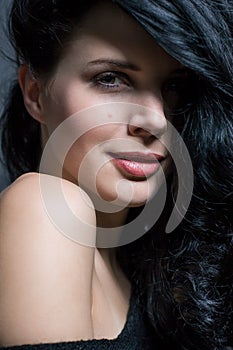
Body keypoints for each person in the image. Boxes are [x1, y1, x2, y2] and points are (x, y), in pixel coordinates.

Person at [0, 0, 232, 349]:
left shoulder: (157, 270)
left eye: (174, 87)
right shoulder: (45, 207)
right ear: (35, 94)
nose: (154, 119)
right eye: (110, 79)